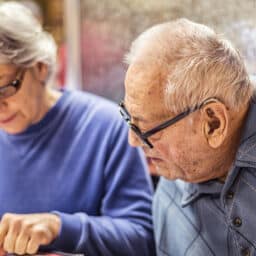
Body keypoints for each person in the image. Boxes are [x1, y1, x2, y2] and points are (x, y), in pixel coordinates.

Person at [0, 2, 155, 255]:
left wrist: (59, 228)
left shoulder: (105, 127)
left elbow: (141, 239)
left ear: (40, 68)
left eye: (4, 89)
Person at [120, 18, 256, 256]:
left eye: (147, 130)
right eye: (128, 118)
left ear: (213, 123)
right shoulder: (171, 191)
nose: (133, 141)